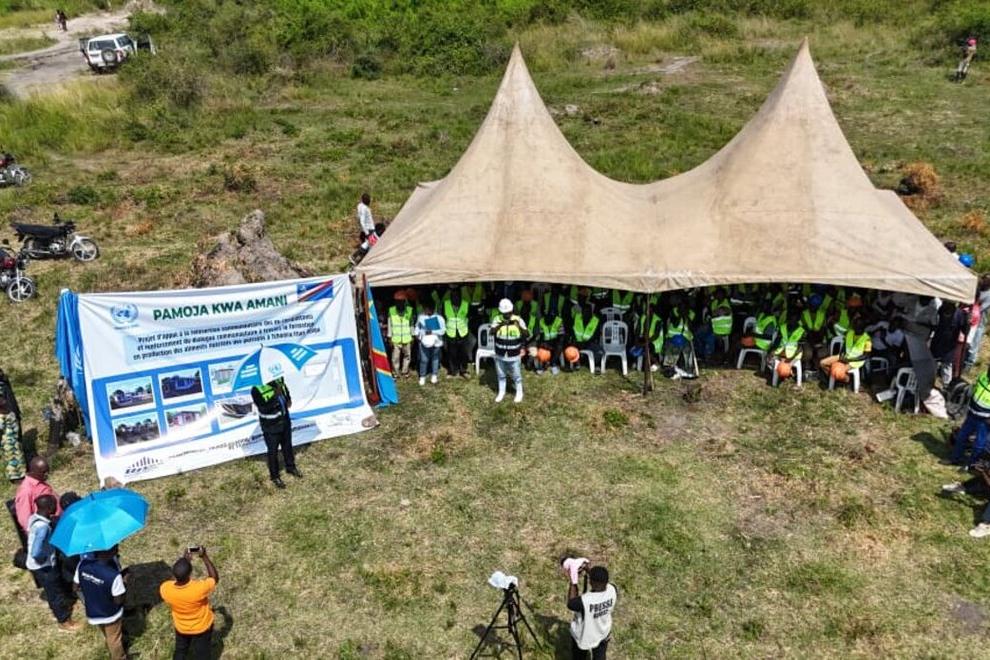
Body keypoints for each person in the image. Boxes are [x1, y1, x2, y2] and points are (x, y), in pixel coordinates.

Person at [27, 494, 80, 632]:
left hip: (38, 565)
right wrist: (45, 559)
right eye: (54, 505)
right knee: (54, 593)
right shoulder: (42, 527)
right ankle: (64, 621)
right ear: (49, 507)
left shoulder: (34, 518)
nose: (57, 508)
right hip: (44, 566)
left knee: (55, 589)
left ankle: (62, 611)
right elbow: (35, 552)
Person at [160, 547, 219, 660]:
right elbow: (214, 578)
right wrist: (204, 557)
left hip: (181, 627)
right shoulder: (198, 589)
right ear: (190, 573)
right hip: (201, 628)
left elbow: (173, 579)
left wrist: (185, 560)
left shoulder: (165, 589)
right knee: (202, 654)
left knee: (180, 651)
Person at [74, 546, 127, 659]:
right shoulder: (113, 575)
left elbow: (75, 587)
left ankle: (111, 647)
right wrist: (125, 583)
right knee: (114, 639)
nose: (117, 549)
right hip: (110, 614)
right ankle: (120, 657)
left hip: (92, 611)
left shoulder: (82, 564)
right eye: (115, 547)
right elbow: (118, 600)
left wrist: (91, 587)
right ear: (110, 552)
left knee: (107, 634)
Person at [250, 377, 299, 489]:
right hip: (270, 427)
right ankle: (275, 476)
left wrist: (288, 398)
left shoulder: (278, 380)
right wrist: (275, 396)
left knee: (287, 446)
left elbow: (285, 389)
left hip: (285, 421)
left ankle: (291, 467)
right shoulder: (256, 389)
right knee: (273, 452)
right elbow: (263, 407)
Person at [566, 564, 617, 660]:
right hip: (603, 633)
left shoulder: (585, 601)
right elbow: (600, 581)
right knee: (600, 656)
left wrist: (573, 581)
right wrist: (589, 570)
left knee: (579, 657)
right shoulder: (612, 590)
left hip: (584, 636)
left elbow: (571, 603)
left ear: (591, 582)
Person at [948, 364, 990, 467]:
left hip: (985, 420)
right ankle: (955, 458)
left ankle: (972, 464)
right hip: (972, 413)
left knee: (979, 443)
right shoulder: (984, 375)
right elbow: (974, 388)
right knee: (961, 436)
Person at [491, 298, 528, 403]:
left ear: (512, 310)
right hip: (500, 352)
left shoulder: (518, 319)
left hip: (514, 353)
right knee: (501, 374)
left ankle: (519, 392)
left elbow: (526, 334)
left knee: (516, 375)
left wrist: (518, 326)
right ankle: (501, 392)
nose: (507, 315)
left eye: (508, 312)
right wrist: (501, 324)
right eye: (504, 313)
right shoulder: (497, 319)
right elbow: (491, 332)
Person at [15, 456, 60, 532]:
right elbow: (25, 520)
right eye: (44, 472)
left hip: (59, 520)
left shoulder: (40, 481)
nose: (47, 474)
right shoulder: (26, 491)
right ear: (33, 472)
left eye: (48, 471)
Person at [442, 285, 470, 378]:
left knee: (463, 353)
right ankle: (452, 371)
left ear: (460, 295)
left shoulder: (465, 304)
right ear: (450, 296)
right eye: (453, 296)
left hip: (463, 332)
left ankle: (463, 370)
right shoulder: (446, 304)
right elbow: (443, 316)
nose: (455, 297)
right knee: (451, 353)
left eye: (457, 295)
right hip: (451, 332)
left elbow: (469, 316)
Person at [414, 300, 445, 386]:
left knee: (435, 359)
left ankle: (434, 375)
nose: (426, 310)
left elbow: (443, 331)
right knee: (424, 359)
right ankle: (422, 376)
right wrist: (416, 335)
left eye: (427, 309)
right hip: (424, 342)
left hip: (436, 342)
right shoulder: (421, 317)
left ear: (433, 308)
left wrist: (432, 332)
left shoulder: (439, 318)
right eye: (425, 309)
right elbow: (417, 327)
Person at [1, 382, 25, 481]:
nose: (4, 400)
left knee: (17, 458)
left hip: (13, 441)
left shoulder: (8, 413)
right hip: (10, 442)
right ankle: (16, 477)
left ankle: (20, 475)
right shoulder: (3, 416)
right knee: (13, 459)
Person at [387, 291, 414, 378]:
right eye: (398, 301)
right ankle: (395, 373)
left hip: (407, 338)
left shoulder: (409, 310)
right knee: (395, 357)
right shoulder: (391, 310)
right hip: (395, 338)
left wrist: (412, 335)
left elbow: (411, 324)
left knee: (407, 356)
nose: (400, 303)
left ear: (405, 301)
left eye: (402, 301)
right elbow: (389, 324)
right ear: (395, 302)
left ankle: (405, 371)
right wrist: (389, 337)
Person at [349, 193, 376, 266]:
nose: (370, 201)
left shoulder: (360, 206)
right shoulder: (364, 208)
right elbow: (362, 221)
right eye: (369, 200)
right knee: (370, 245)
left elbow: (359, 217)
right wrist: (367, 233)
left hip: (367, 229)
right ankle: (354, 256)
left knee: (368, 245)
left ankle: (357, 260)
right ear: (366, 200)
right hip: (369, 229)